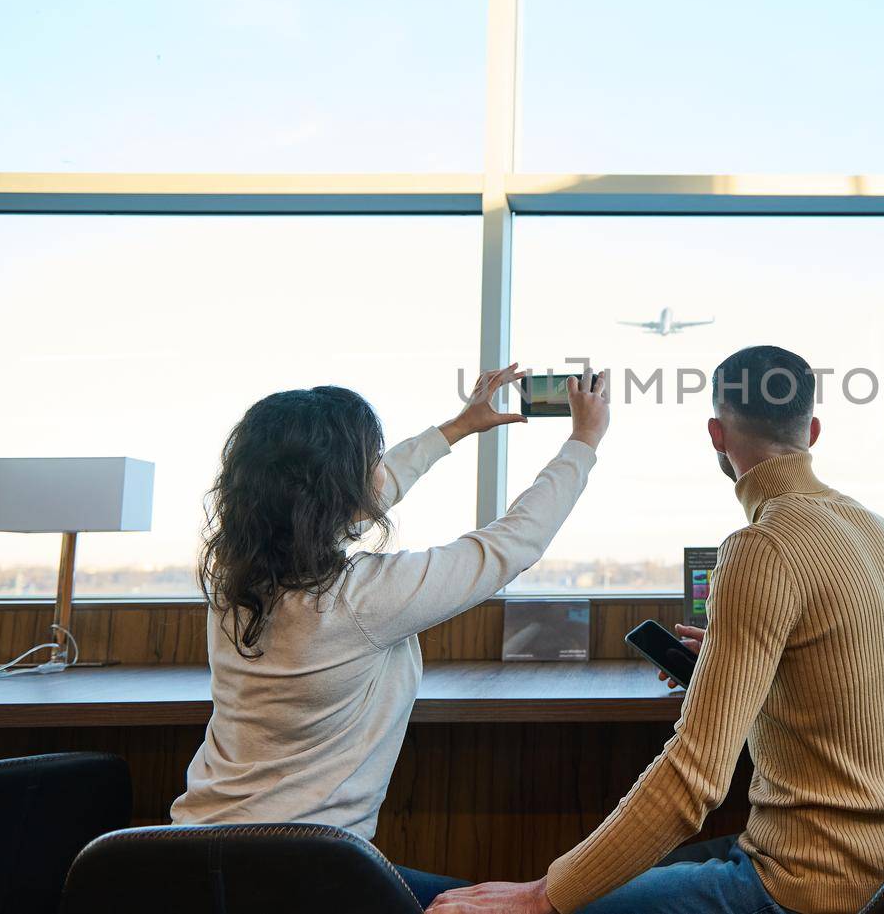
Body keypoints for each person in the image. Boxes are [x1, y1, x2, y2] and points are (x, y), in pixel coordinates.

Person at [428, 346, 884, 914]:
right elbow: (834, 679)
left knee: (553, 902)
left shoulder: (762, 545)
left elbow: (695, 778)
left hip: (804, 883)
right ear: (812, 431)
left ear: (716, 435)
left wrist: (544, 896)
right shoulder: (875, 529)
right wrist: (724, 670)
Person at [170, 366, 611, 904]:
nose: (377, 474)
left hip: (189, 860)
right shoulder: (359, 600)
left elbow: (360, 496)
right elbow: (510, 545)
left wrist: (456, 428)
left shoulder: (232, 577)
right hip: (304, 877)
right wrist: (583, 440)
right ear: (340, 489)